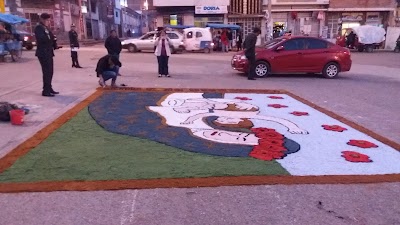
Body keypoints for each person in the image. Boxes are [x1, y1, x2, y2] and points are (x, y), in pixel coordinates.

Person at [35, 13, 59, 97]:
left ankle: (49, 88)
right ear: (42, 19)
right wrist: (50, 39)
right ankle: (45, 91)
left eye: (49, 20)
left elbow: (51, 37)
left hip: (49, 52)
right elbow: (41, 39)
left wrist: (54, 42)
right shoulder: (39, 28)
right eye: (47, 20)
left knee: (50, 71)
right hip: (43, 53)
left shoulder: (46, 28)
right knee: (46, 72)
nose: (48, 22)